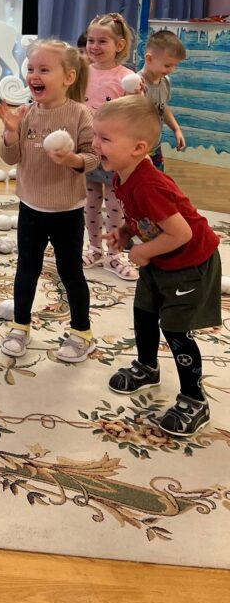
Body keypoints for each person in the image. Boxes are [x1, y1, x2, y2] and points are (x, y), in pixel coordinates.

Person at [93, 96, 221, 437]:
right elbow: (141, 217)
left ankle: (194, 400)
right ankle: (148, 367)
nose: (95, 144)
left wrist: (143, 250)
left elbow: (182, 233)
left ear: (138, 148)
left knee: (176, 330)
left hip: (189, 263)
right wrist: (125, 232)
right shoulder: (123, 175)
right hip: (161, 259)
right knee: (144, 312)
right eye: (95, 136)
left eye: (105, 139)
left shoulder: (149, 184)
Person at [0, 39, 100, 363]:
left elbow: (93, 157)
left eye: (44, 69)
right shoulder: (26, 113)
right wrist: (10, 133)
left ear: (68, 77)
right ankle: (20, 326)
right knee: (26, 269)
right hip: (30, 207)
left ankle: (82, 332)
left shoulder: (80, 114)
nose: (34, 75)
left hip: (67, 210)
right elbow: (10, 158)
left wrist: (72, 159)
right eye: (31, 68)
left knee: (70, 272)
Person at [83, 12, 138, 281]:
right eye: (90, 40)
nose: (94, 46)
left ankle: (114, 254)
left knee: (115, 204)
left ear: (119, 45)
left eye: (102, 41)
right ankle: (94, 248)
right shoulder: (81, 72)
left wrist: (137, 95)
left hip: (114, 153)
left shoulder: (127, 77)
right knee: (90, 202)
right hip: (87, 148)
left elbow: (134, 113)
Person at [137, 29, 187, 171]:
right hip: (137, 148)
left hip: (155, 146)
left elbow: (162, 107)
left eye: (175, 65)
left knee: (157, 180)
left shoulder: (165, 82)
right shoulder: (137, 84)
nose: (172, 70)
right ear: (149, 59)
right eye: (167, 65)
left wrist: (176, 129)